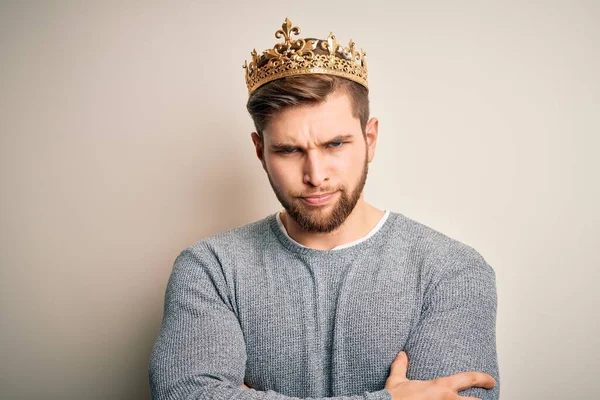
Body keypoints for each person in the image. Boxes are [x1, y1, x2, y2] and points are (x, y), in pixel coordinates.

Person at [149, 18, 499, 400]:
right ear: (260, 152)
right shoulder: (210, 269)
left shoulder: (451, 270)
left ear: (370, 139)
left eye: (335, 145)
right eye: (288, 150)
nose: (315, 176)